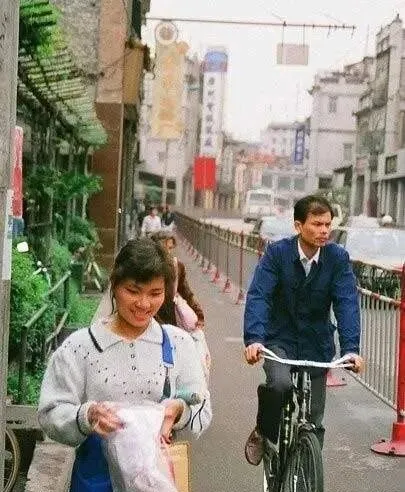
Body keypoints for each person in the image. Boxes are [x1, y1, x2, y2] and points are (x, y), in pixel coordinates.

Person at [38, 238, 211, 489]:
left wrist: (179, 412)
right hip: (96, 480)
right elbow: (50, 413)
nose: (144, 304)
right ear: (114, 284)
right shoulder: (80, 347)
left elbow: (202, 411)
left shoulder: (178, 344)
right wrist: (87, 416)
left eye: (155, 293)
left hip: (156, 480)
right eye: (133, 291)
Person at [243, 195, 364, 466]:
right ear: (298, 226)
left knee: (314, 417)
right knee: (279, 385)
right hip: (279, 339)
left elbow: (346, 303)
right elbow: (259, 296)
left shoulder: (337, 258)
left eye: (328, 225)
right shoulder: (278, 253)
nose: (324, 231)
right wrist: (254, 339)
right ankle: (263, 430)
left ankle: (308, 473)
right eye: (317, 224)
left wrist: (351, 350)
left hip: (316, 344)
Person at [150, 230, 205, 329]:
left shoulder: (176, 267)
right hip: (149, 317)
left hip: (170, 318)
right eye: (164, 248)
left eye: (170, 248)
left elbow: (186, 292)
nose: (167, 252)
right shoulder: (146, 267)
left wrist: (199, 314)